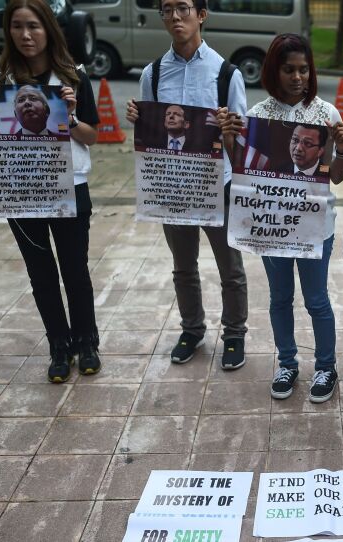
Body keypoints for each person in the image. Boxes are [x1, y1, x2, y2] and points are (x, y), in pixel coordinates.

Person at [0, 0, 101, 383]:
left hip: (70, 186)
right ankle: (59, 345)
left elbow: (93, 135)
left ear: (48, 30)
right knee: (41, 273)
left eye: (33, 26)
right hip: (20, 191)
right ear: (9, 33)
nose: (26, 35)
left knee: (75, 269)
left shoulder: (73, 77)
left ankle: (87, 342)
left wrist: (68, 117)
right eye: (17, 27)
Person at [220, 33, 343, 403]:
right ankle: (288, 364)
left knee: (316, 300)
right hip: (271, 225)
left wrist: (340, 148)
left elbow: (337, 176)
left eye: (304, 70)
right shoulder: (258, 116)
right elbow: (244, 172)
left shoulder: (326, 114)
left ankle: (326, 366)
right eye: (289, 69)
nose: (297, 77)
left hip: (315, 227)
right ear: (273, 71)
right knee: (280, 298)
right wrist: (231, 139)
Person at [125, 0, 249, 370]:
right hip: (173, 185)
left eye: (183, 8)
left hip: (218, 182)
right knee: (183, 266)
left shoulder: (226, 73)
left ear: (201, 14)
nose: (175, 17)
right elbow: (152, 135)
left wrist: (231, 130)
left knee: (230, 268)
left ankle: (234, 334)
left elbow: (239, 145)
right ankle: (192, 329)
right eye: (167, 10)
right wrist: (138, 119)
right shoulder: (154, 73)